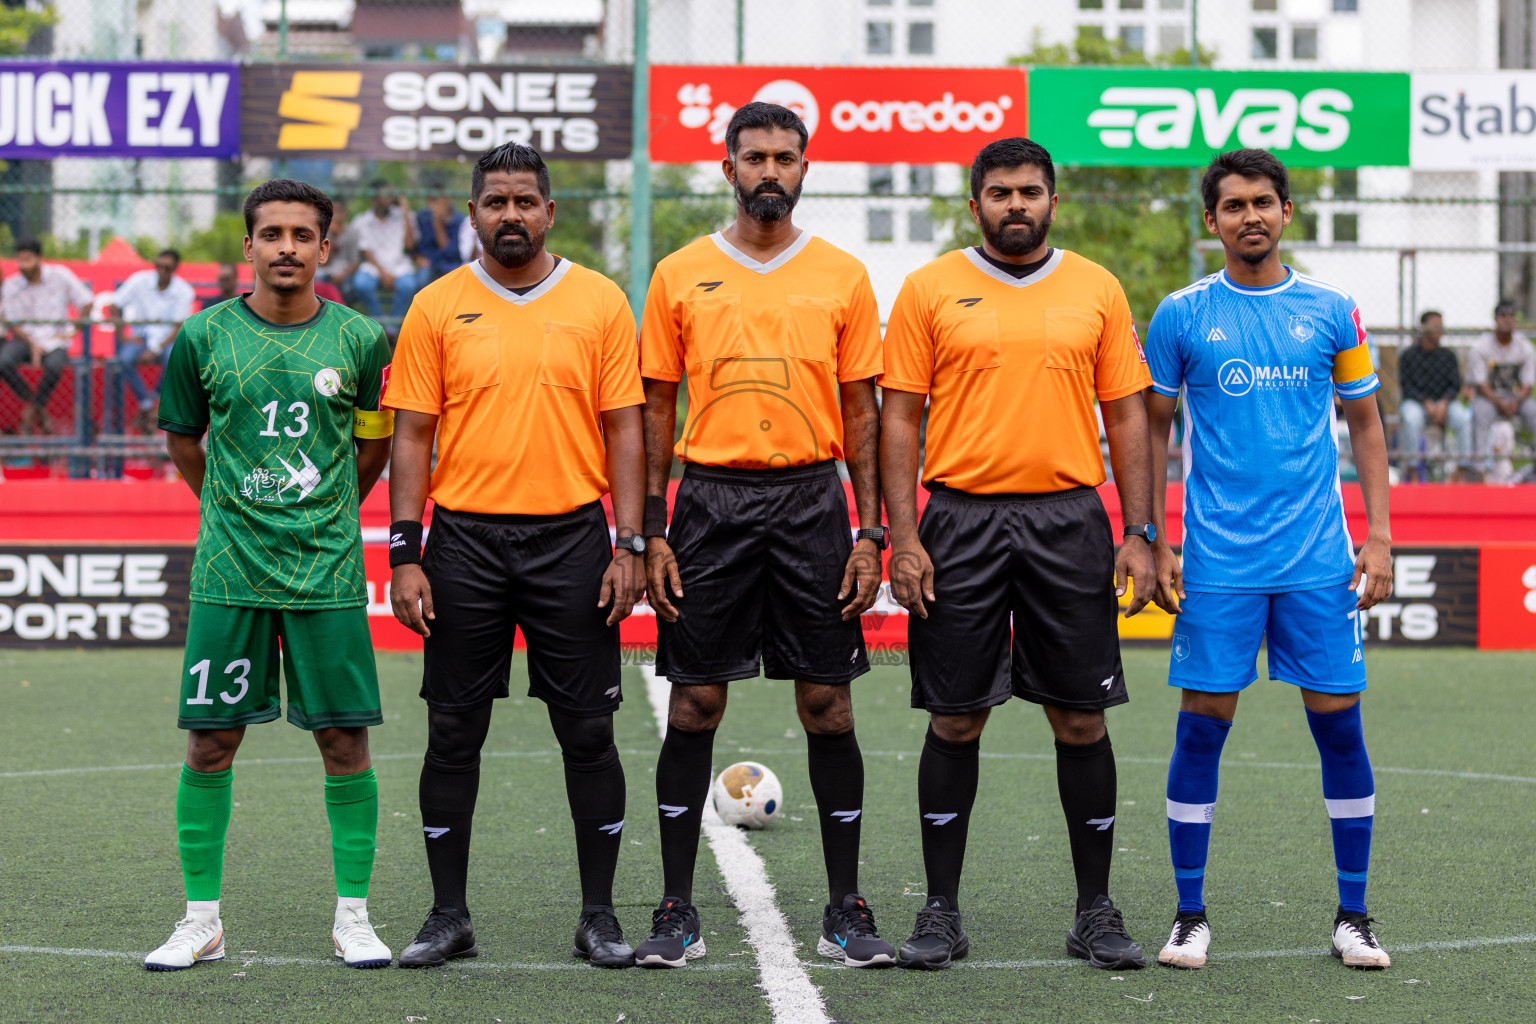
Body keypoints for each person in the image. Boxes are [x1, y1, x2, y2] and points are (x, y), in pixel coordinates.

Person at [880, 137, 1156, 972]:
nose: (1015, 206)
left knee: (1080, 715)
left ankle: (1095, 911)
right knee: (956, 716)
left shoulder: (1096, 288)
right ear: (974, 206)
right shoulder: (929, 288)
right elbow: (899, 418)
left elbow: (1129, 416)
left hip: (1069, 521)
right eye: (998, 193)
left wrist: (1140, 531)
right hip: (958, 521)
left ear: (1052, 201)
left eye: (1030, 191)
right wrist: (902, 534)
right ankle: (940, 912)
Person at [635, 101, 892, 970]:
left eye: (785, 156)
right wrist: (650, 531)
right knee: (698, 702)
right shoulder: (678, 273)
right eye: (755, 156)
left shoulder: (844, 275)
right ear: (728, 167)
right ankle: (676, 910)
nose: (769, 170)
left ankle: (845, 910)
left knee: (829, 702)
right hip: (708, 504)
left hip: (813, 505)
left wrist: (870, 530)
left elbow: (863, 413)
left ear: (805, 168)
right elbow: (655, 411)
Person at [384, 143, 646, 970]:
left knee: (589, 730)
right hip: (463, 542)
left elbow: (625, 428)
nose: (510, 215)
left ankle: (599, 917)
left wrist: (628, 541)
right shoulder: (435, 306)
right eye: (494, 202)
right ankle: (447, 915)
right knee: (453, 729)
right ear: (471, 214)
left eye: (525, 202)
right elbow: (413, 434)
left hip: (571, 538)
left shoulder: (600, 302)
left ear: (549, 213)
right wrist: (406, 552)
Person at [1143, 149, 1394, 972]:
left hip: (1319, 562)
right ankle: (1188, 915)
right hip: (1217, 565)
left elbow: (1364, 422)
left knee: (1340, 728)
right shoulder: (1180, 314)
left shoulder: (1331, 309)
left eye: (1263, 202)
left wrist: (1381, 534)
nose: (1249, 216)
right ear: (1210, 221)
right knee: (1202, 728)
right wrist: (1152, 534)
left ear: (1287, 213)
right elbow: (1151, 426)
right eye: (1233, 205)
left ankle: (1353, 917)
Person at [144, 179, 395, 972]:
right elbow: (186, 440)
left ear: (327, 247)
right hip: (228, 571)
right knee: (210, 742)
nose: (287, 246)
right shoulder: (201, 337)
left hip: (324, 570)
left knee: (343, 741)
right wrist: (230, 509)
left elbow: (372, 445)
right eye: (272, 233)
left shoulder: (360, 340)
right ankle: (200, 920)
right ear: (248, 246)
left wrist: (322, 511)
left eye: (302, 234)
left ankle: (353, 916)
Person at [0, 239, 93, 434]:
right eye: (19, 260)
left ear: (39, 258)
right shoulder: (11, 284)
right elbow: (9, 320)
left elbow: (87, 302)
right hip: (25, 339)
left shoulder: (60, 275)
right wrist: (31, 343)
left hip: (55, 339)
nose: (23, 266)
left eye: (28, 260)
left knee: (54, 366)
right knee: (3, 361)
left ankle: (33, 409)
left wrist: (75, 328)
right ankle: (35, 405)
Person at [109, 249, 197, 430]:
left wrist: (155, 349)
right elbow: (114, 305)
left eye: (167, 267)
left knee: (175, 358)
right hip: (140, 337)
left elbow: (178, 326)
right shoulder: (140, 280)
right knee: (124, 358)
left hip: (166, 341)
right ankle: (148, 405)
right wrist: (122, 336)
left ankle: (150, 401)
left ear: (174, 269)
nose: (162, 271)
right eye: (159, 266)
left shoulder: (183, 290)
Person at [1397, 310, 1470, 482]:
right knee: (1410, 417)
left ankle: (1462, 470)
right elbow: (1407, 387)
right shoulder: (1409, 355)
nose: (1439, 329)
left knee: (1463, 417)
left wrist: (1443, 403)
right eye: (1435, 326)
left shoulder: (1448, 355)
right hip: (1418, 403)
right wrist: (1426, 403)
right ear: (1423, 328)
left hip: (1445, 404)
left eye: (1441, 326)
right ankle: (1413, 470)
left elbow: (1455, 385)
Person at [1468, 299, 1536, 464]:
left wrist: (1515, 401)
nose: (1507, 320)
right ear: (1495, 319)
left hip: (1517, 399)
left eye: (1511, 315)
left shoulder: (1524, 346)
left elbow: (1528, 383)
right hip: (1489, 399)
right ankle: (1480, 468)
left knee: (1533, 411)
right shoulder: (1481, 346)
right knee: (1480, 413)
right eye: (1503, 315)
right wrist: (1499, 402)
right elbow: (1480, 383)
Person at [349, 180, 426, 320]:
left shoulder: (403, 216)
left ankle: (391, 329)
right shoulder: (361, 221)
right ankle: (380, 323)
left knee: (409, 286)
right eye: (385, 194)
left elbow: (410, 245)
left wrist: (406, 211)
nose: (389, 198)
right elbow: (366, 252)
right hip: (374, 267)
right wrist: (383, 273)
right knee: (361, 284)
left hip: (399, 266)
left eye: (391, 194)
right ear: (373, 197)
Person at [415, 186, 467, 280]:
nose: (433, 206)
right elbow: (417, 246)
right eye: (430, 201)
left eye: (437, 201)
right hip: (430, 264)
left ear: (447, 200)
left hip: (451, 264)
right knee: (424, 276)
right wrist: (418, 258)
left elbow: (449, 252)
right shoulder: (423, 218)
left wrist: (438, 224)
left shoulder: (459, 221)